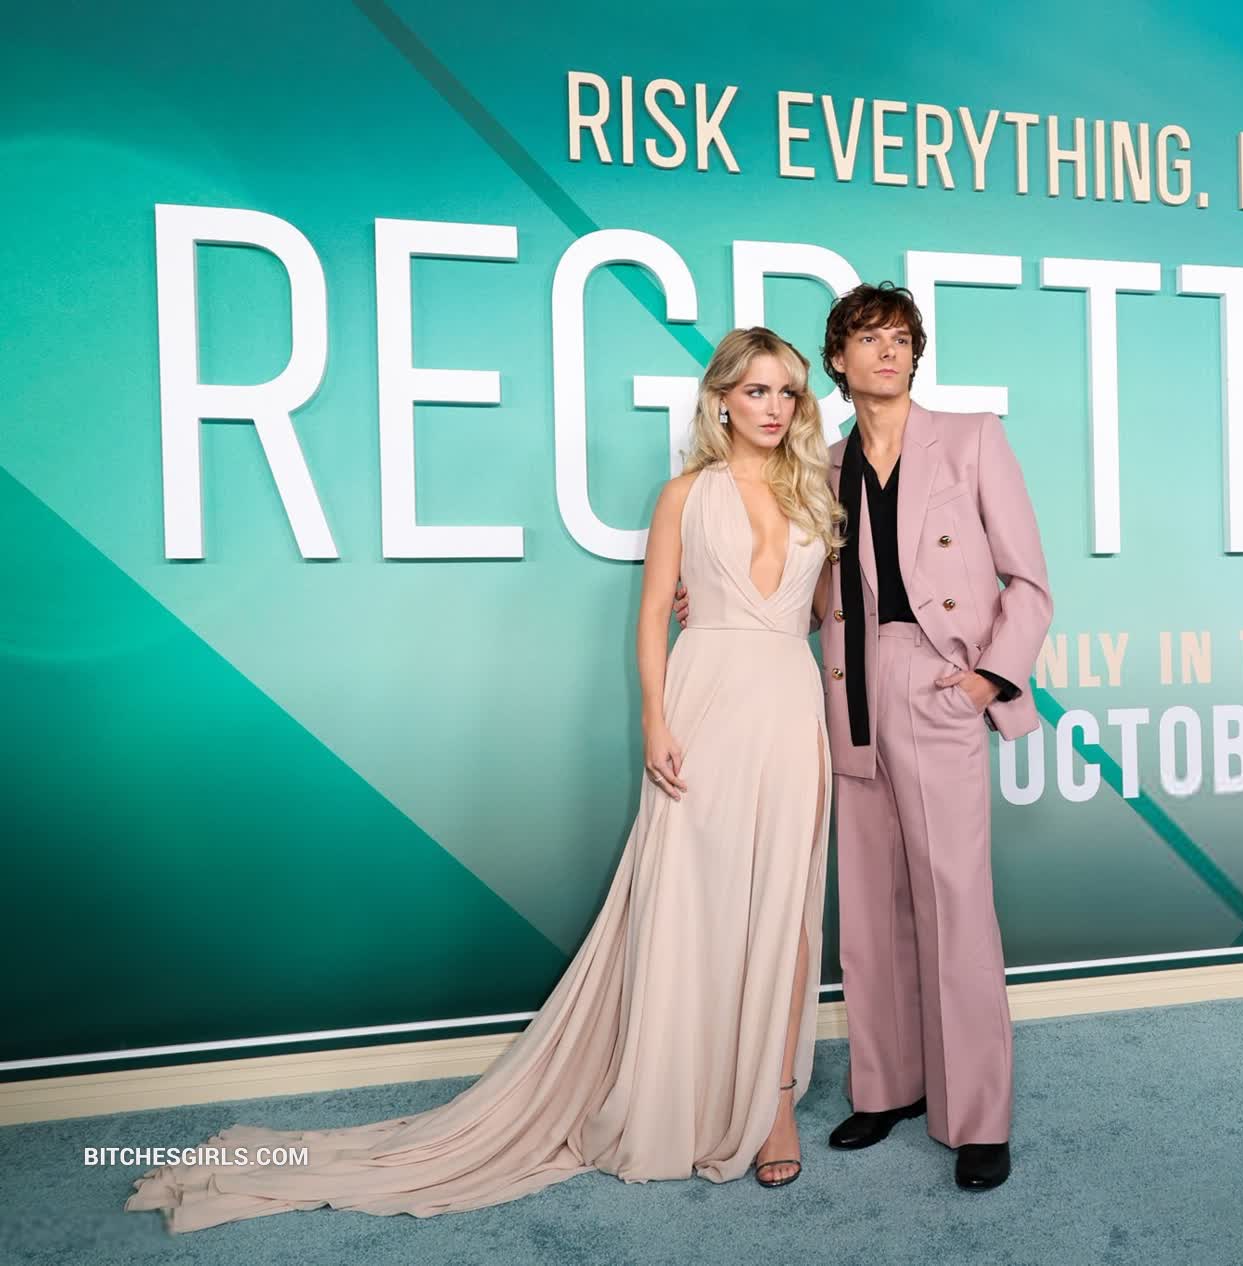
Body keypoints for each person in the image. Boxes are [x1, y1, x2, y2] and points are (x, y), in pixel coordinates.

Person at [126, 327, 844, 1233]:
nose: (774, 408)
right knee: (692, 905)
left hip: (789, 709)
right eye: (756, 391)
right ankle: (684, 1091)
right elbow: (650, 617)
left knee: (784, 911)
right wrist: (655, 723)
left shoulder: (815, 493)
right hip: (704, 711)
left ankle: (773, 1106)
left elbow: (819, 613)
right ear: (722, 402)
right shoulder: (684, 495)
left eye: (788, 392)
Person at [676, 283, 1053, 1190]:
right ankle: (887, 1087)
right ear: (837, 362)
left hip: (938, 682)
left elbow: (1031, 582)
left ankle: (977, 1116)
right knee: (872, 905)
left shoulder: (971, 438)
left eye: (901, 338)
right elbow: (812, 590)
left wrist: (987, 679)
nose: (889, 352)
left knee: (954, 901)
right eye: (869, 339)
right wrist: (721, 601)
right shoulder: (824, 464)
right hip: (846, 689)